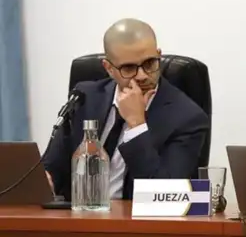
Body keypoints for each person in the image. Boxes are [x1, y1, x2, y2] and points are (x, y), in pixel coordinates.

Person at [43, 18, 210, 200]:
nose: (142, 75)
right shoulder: (85, 98)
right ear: (109, 68)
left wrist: (136, 125)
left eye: (150, 63)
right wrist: (46, 180)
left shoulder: (188, 118)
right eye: (129, 68)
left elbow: (164, 195)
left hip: (135, 217)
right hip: (78, 214)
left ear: (159, 56)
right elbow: (52, 168)